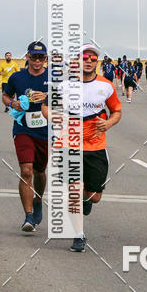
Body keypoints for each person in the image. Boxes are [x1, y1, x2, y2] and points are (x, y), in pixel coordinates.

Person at [44, 43, 122, 252]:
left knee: (94, 196)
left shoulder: (106, 85)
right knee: (74, 189)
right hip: (69, 142)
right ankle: (78, 234)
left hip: (96, 144)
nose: (88, 61)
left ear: (97, 62)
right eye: (84, 57)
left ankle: (86, 200)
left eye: (92, 58)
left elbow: (116, 111)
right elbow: (45, 106)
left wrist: (109, 123)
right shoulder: (63, 85)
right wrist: (54, 117)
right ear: (77, 60)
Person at [2, 41, 49, 232]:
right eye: (33, 57)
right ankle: (28, 216)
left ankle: (38, 199)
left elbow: (66, 100)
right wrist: (12, 104)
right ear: (27, 57)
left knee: (39, 171)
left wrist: (46, 97)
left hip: (44, 130)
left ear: (45, 58)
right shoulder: (17, 77)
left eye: (41, 57)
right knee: (26, 171)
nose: (37, 60)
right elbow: (5, 96)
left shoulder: (53, 77)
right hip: (23, 128)